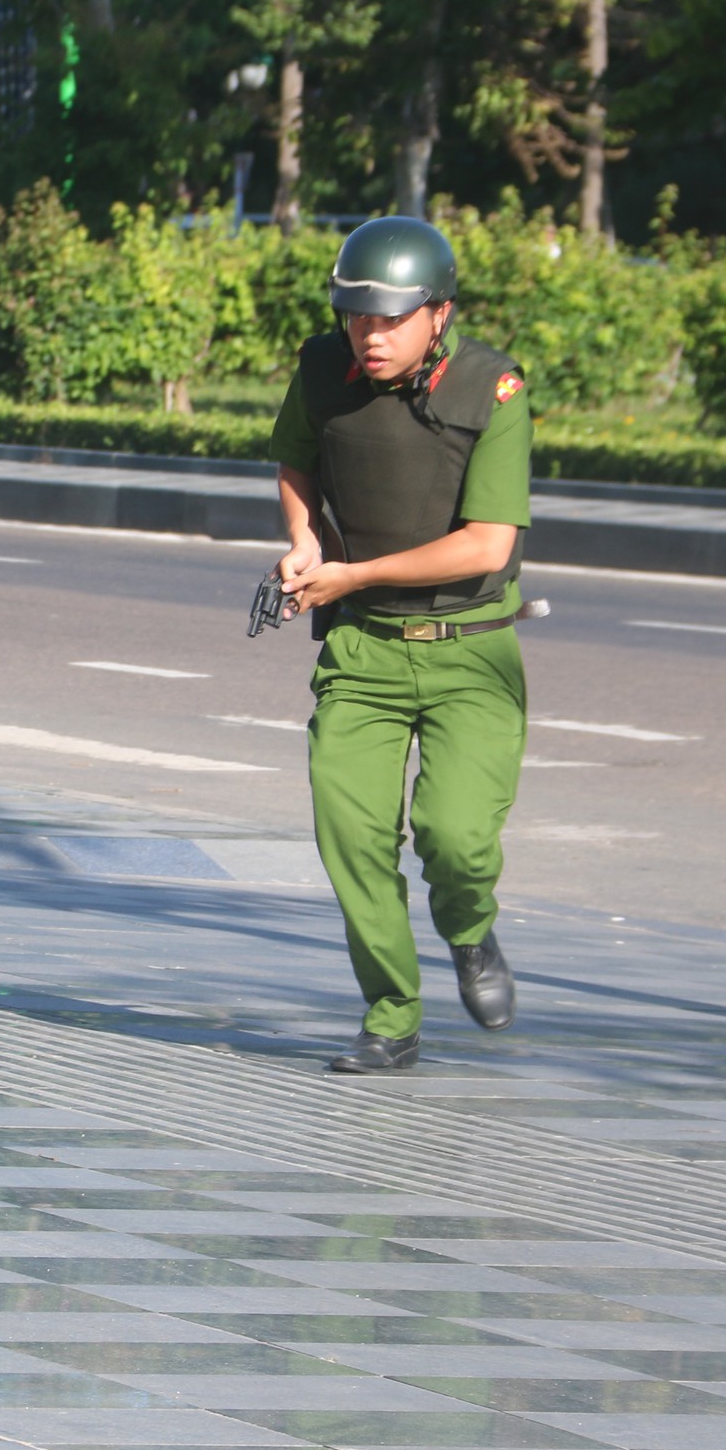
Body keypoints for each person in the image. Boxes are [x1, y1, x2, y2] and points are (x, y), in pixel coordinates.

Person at [271, 216, 532, 1074]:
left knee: (454, 835)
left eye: (390, 319)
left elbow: (487, 546)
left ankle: (469, 930)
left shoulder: (492, 390)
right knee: (350, 832)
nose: (369, 335)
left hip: (470, 649)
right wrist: (306, 543)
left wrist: (354, 574)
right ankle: (391, 1011)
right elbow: (297, 463)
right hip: (364, 653)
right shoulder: (322, 370)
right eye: (357, 316)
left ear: (439, 314)